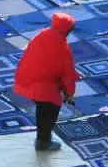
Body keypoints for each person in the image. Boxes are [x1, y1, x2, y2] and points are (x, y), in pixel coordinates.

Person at [13, 12, 79, 152]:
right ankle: (44, 142)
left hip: (26, 78)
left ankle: (42, 138)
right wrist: (69, 93)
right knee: (50, 110)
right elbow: (67, 73)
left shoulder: (42, 35)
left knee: (42, 108)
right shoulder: (62, 46)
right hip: (42, 85)